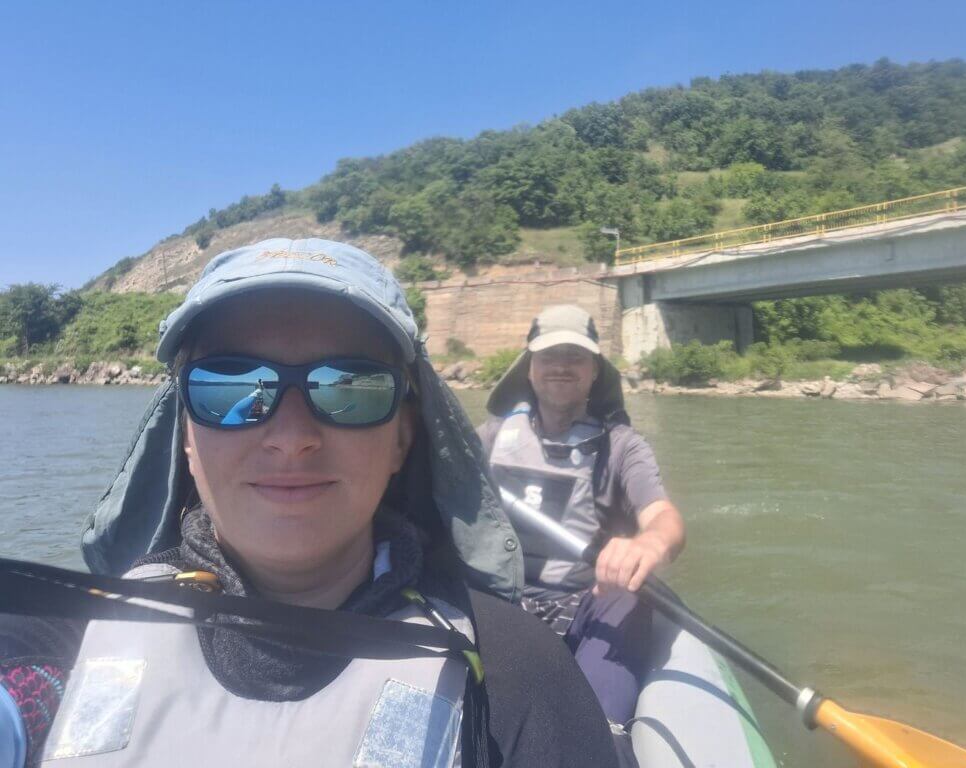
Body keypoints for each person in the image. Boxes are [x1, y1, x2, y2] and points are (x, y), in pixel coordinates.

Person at [0, 240, 618, 768]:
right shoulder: (54, 651)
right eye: (232, 387)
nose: (291, 437)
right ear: (186, 437)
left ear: (403, 437)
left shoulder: (516, 678)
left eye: (348, 388)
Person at [476, 305, 686, 734]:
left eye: (575, 356)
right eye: (549, 355)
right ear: (529, 369)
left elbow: (664, 519)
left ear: (594, 371)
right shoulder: (490, 438)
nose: (561, 366)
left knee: (632, 597)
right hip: (500, 600)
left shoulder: (623, 447)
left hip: (587, 600)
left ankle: (599, 734)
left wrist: (648, 544)